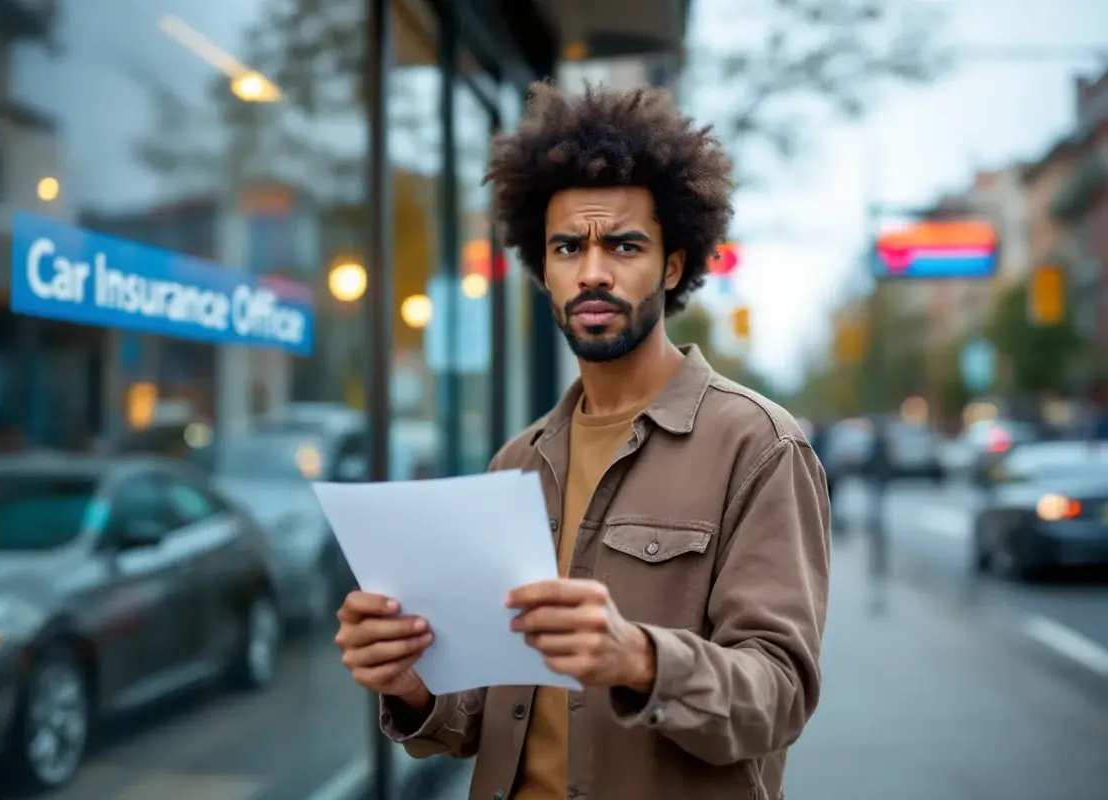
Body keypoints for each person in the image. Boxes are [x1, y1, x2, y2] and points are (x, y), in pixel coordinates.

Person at [335, 83, 831, 799]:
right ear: (543, 271)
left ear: (671, 264)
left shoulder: (758, 446)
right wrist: (412, 684)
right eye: (568, 247)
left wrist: (639, 660)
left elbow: (777, 698)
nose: (592, 270)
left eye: (622, 245)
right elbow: (481, 716)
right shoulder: (517, 461)